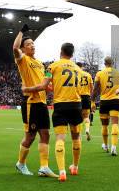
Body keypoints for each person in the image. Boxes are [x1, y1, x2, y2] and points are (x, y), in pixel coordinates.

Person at [23, 43, 83, 182]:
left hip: (60, 105)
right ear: (72, 54)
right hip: (75, 105)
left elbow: (44, 86)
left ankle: (62, 172)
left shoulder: (52, 66)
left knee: (60, 138)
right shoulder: (78, 69)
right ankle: (74, 167)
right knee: (76, 137)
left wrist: (28, 89)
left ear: (61, 51)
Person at [12, 24, 57, 178]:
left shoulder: (40, 63)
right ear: (23, 49)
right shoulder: (23, 59)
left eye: (33, 44)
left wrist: (51, 88)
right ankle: (21, 163)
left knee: (45, 134)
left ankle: (44, 167)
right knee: (30, 136)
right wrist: (21, 32)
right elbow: (14, 47)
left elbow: (46, 83)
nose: (32, 45)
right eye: (29, 44)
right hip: (31, 102)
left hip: (42, 103)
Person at [92, 56, 119, 156]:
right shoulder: (118, 73)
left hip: (104, 101)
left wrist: (92, 101)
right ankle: (114, 147)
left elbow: (95, 89)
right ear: (113, 63)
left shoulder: (99, 73)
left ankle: (106, 145)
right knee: (115, 124)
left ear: (104, 63)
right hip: (115, 100)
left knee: (104, 125)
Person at [76, 62, 94, 141]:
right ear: (82, 67)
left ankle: (79, 135)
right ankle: (87, 130)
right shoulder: (88, 75)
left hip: (78, 97)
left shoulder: (75, 75)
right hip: (86, 97)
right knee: (86, 117)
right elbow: (92, 88)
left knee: (79, 117)